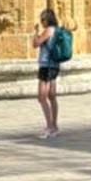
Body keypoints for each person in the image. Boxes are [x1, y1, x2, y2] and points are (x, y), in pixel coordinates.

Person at [33, 8, 62, 138]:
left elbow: (36, 44)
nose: (41, 22)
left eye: (42, 19)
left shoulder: (48, 30)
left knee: (42, 97)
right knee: (52, 96)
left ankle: (50, 127)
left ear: (47, 19)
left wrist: (35, 33)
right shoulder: (56, 30)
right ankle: (54, 126)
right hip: (54, 65)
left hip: (46, 66)